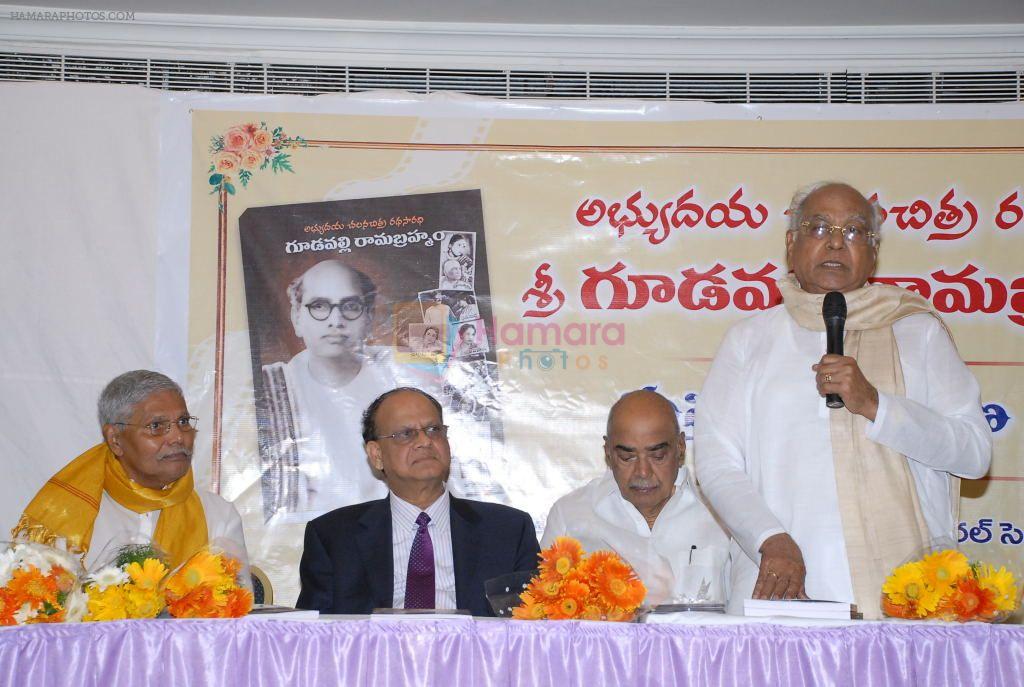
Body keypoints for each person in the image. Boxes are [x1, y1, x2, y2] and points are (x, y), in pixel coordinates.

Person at [694, 181, 991, 617]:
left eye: (854, 231)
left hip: (907, 595)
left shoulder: (918, 332)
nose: (835, 241)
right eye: (818, 227)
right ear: (791, 244)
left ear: (873, 253)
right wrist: (769, 539)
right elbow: (717, 463)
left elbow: (974, 454)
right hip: (781, 588)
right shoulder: (750, 339)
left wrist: (875, 404)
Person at [296, 388, 540, 615]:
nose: (424, 441)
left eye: (433, 430)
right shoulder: (333, 537)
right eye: (406, 434)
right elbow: (315, 638)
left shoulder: (508, 531)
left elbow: (530, 632)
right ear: (377, 455)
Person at [13, 370, 247, 569]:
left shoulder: (218, 517)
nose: (178, 437)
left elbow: (233, 614)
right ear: (115, 440)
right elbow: (36, 611)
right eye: (156, 426)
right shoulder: (63, 514)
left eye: (183, 422)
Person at [260, 260, 421, 519]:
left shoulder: (404, 376)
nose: (336, 321)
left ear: (369, 317)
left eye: (351, 307)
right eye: (319, 306)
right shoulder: (273, 390)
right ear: (296, 318)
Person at [543, 390, 729, 605]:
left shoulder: (722, 515)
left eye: (657, 455)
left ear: (680, 447)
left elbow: (750, 625)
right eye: (627, 457)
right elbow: (546, 617)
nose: (642, 471)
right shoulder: (571, 515)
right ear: (609, 453)